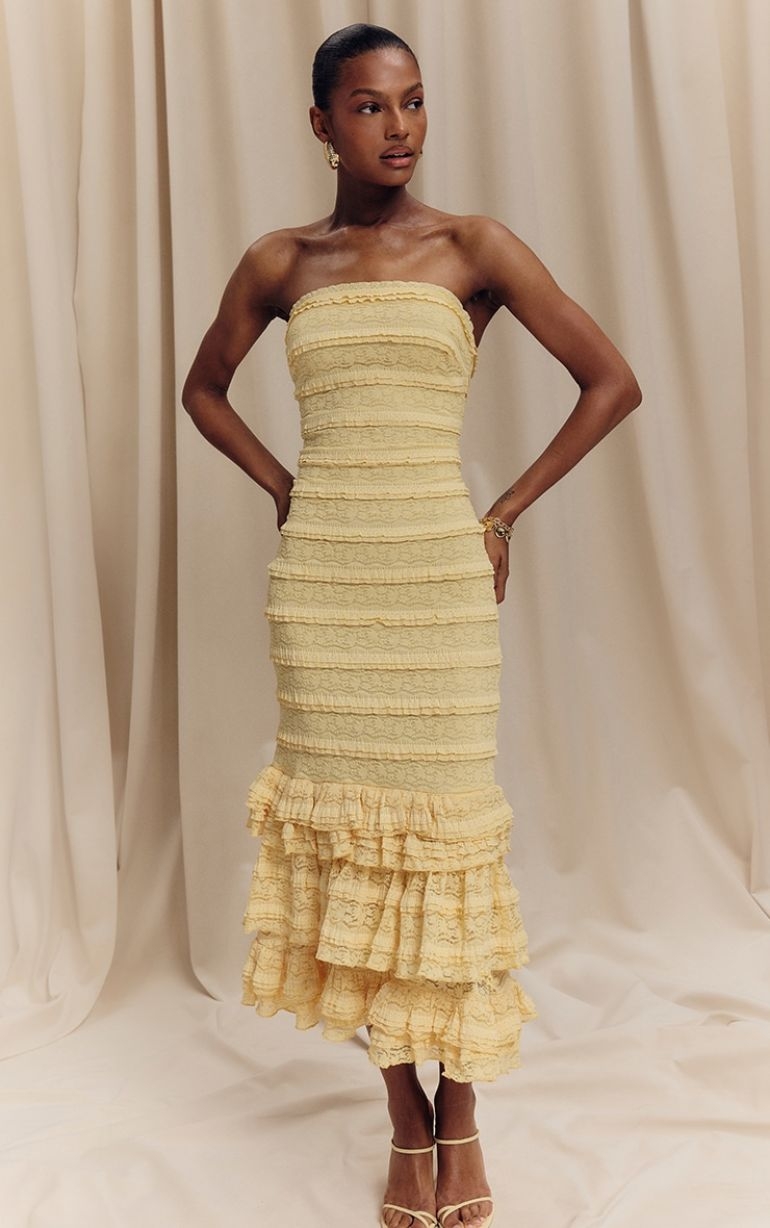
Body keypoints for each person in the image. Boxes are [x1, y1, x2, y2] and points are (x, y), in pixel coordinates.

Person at [182, 22, 641, 1228]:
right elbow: (201, 389)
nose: (400, 128)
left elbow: (610, 380)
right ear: (321, 123)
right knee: (351, 852)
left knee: (444, 845)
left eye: (415, 102)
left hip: (434, 582)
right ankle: (402, 1115)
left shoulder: (471, 246)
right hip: (326, 594)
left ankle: (464, 1114)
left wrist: (503, 513)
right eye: (371, 106)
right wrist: (283, 488)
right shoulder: (282, 260)